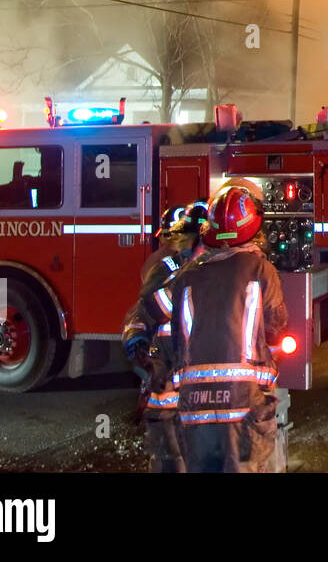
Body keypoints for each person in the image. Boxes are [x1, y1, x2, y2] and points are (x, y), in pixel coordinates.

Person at [143, 184, 287, 473]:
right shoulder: (261, 270)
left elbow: (155, 310)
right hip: (244, 405)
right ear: (253, 230)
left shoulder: (187, 276)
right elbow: (276, 325)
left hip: (195, 409)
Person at [122, 201, 210, 473]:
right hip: (169, 380)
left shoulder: (213, 268)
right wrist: (138, 346)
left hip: (196, 383)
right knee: (170, 455)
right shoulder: (167, 268)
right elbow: (143, 311)